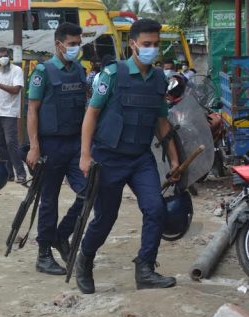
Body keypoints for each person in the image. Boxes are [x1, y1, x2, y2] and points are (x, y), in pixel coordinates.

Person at [77, 19, 180, 294]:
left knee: (155, 208)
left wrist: (174, 159)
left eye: (156, 45)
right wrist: (85, 155)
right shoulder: (112, 74)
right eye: (147, 44)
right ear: (132, 44)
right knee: (105, 218)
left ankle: (145, 268)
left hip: (139, 158)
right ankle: (84, 260)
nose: (152, 49)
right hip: (108, 158)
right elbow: (91, 116)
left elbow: (161, 123)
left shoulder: (159, 79)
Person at [25, 22, 87, 276]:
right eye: (72, 44)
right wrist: (34, 146)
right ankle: (43, 255)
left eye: (78, 44)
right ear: (59, 44)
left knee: (87, 193)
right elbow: (32, 110)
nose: (76, 48)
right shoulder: (43, 71)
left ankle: (61, 235)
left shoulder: (81, 72)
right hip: (50, 144)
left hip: (75, 144)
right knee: (48, 201)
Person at [0, 47, 26, 184]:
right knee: (0, 144)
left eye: (5, 55)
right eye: (0, 56)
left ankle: (21, 173)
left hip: (10, 113)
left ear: (10, 57)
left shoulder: (17, 71)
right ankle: (9, 174)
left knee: (11, 143)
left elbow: (15, 90)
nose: (3, 58)